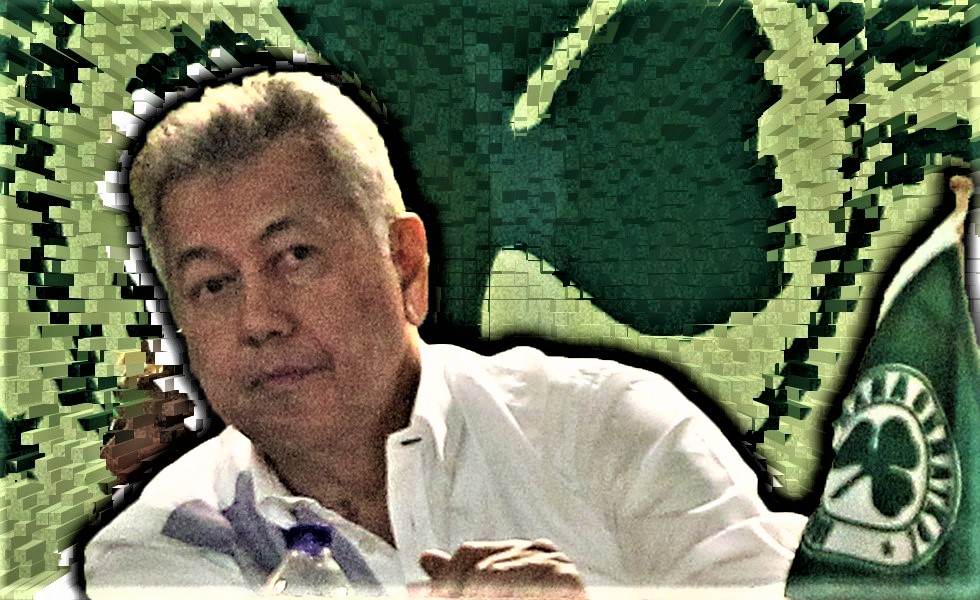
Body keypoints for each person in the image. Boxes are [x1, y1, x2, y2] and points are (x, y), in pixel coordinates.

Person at [83, 70, 806, 598]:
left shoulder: (610, 428)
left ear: (405, 264)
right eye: (213, 284)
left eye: (295, 256)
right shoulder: (162, 550)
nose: (260, 320)